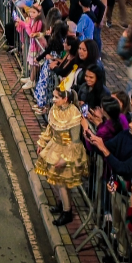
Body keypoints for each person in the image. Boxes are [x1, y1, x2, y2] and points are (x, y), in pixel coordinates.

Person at [35, 89, 90, 226]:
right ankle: (61, 203)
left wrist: (65, 159)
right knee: (52, 179)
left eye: (56, 97)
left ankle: (67, 212)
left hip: (68, 151)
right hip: (55, 146)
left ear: (65, 99)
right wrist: (42, 142)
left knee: (62, 184)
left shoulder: (74, 114)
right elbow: (50, 128)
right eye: (53, 96)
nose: (53, 100)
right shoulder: (55, 109)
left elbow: (75, 141)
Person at [89, 110, 132, 180]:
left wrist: (104, 149)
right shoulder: (125, 134)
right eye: (131, 121)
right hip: (113, 180)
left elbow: (123, 169)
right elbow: (107, 147)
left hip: (129, 187)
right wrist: (92, 139)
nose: (130, 124)